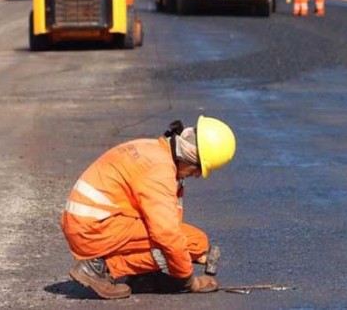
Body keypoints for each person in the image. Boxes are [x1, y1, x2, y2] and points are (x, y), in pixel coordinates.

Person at [61, 116, 236, 299]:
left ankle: (142, 276)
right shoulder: (160, 170)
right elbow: (167, 234)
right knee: (192, 242)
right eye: (198, 169)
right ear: (189, 157)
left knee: (192, 243)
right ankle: (100, 268)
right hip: (94, 229)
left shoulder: (154, 149)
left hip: (89, 222)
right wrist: (191, 282)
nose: (198, 176)